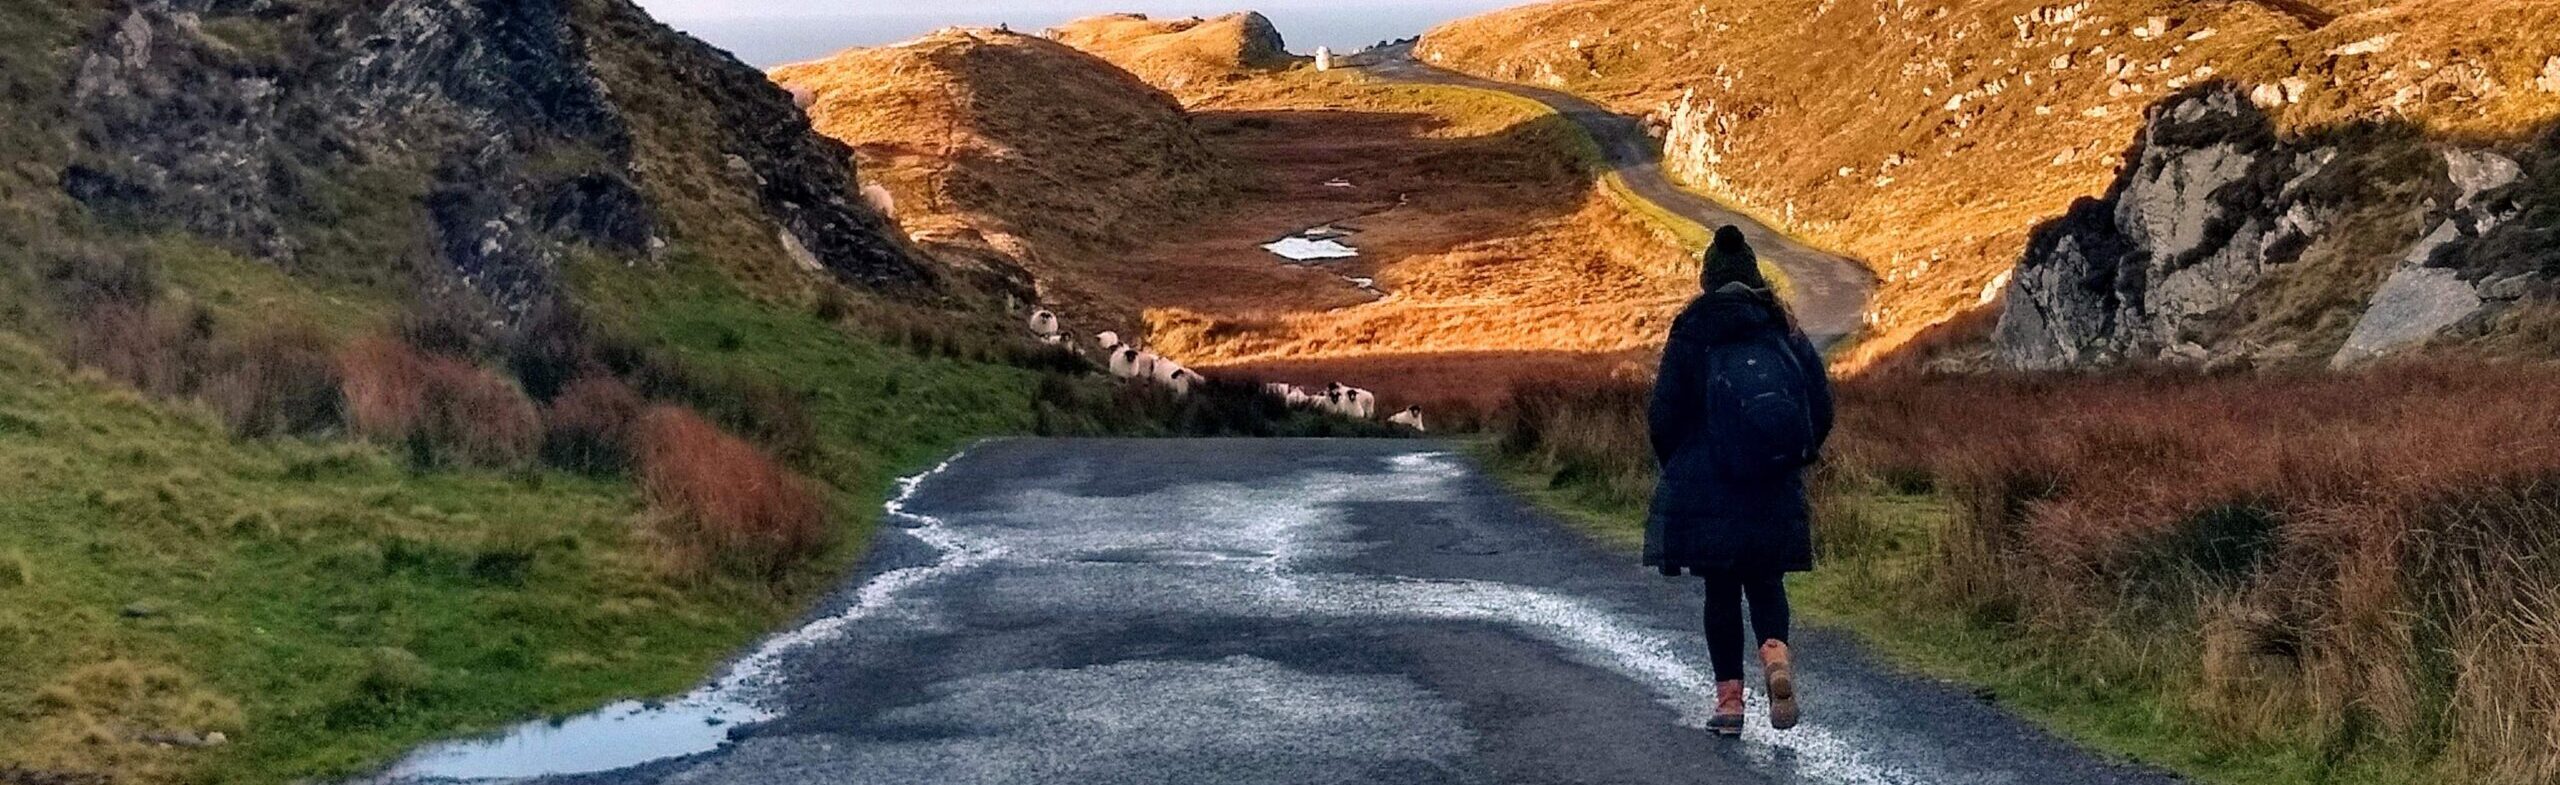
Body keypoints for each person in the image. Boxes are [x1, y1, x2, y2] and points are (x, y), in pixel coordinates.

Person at [1644, 225, 1835, 737]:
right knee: (1767, 580)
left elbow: (1663, 415)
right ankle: (1775, 656)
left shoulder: (1692, 329)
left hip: (1711, 486)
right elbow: (1819, 403)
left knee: (1722, 592)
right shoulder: (1781, 325)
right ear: (1754, 276)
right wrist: (1793, 454)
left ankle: (1729, 703)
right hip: (1772, 480)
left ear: (1707, 279)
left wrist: (1680, 470)